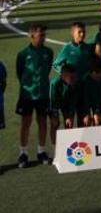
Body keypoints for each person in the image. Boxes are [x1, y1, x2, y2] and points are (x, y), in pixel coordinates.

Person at [15, 24, 53, 168]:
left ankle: (41, 151)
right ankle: (23, 153)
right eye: (41, 35)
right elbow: (20, 73)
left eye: (44, 35)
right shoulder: (23, 54)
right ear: (32, 36)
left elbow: (47, 69)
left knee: (42, 122)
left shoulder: (48, 52)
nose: (43, 38)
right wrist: (28, 86)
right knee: (26, 123)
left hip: (43, 93)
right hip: (27, 94)